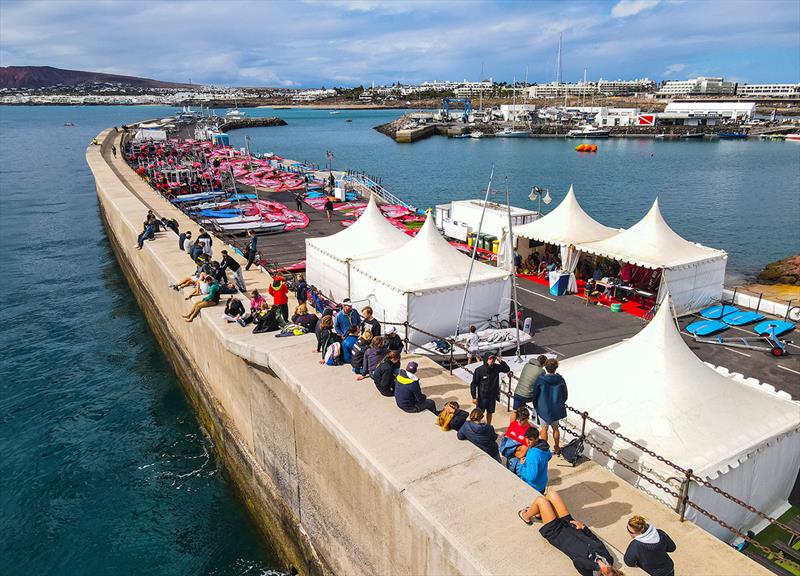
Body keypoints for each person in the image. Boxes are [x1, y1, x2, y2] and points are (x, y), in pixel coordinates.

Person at [518, 491, 619, 576]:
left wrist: (598, 565)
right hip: (571, 525)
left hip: (557, 533)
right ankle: (541, 514)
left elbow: (577, 562)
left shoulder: (590, 572)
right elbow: (596, 540)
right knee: (552, 495)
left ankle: (526, 515)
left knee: (541, 500)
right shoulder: (609, 559)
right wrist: (583, 527)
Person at [533, 358, 568, 454]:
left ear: (545, 367)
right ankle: (557, 447)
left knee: (544, 429)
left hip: (543, 407)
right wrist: (559, 403)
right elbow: (565, 395)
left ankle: (544, 449)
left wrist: (536, 405)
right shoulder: (560, 379)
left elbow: (535, 394)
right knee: (555, 428)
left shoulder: (541, 379)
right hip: (556, 407)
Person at [470, 355, 511, 426]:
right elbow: (474, 384)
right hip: (482, 397)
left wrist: (500, 361)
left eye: (493, 358)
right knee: (478, 413)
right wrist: (474, 397)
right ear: (486, 359)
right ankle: (475, 426)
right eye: (490, 358)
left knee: (490, 412)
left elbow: (507, 369)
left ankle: (488, 426)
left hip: (492, 397)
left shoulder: (497, 367)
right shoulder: (479, 370)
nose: (492, 360)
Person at [514, 426, 552, 494]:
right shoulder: (544, 446)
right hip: (542, 484)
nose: (527, 442)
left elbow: (531, 477)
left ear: (536, 439)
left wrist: (521, 466)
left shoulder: (533, 455)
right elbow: (549, 456)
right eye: (526, 438)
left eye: (530, 439)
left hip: (533, 487)